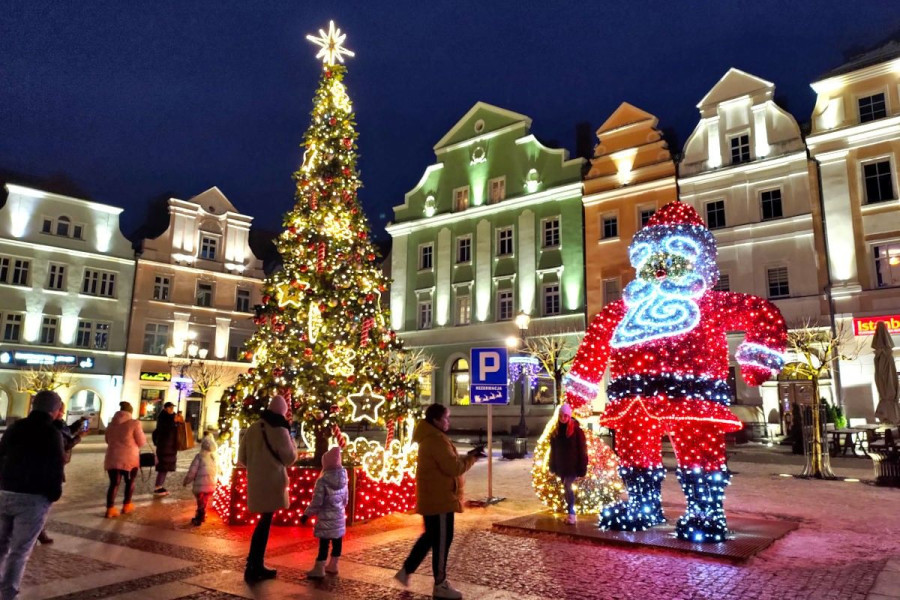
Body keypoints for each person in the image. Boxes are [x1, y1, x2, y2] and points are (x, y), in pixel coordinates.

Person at [394, 404, 477, 600]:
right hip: (440, 500)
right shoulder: (435, 440)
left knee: (430, 537)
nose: (448, 421)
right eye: (445, 418)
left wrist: (467, 456)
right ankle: (440, 584)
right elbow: (453, 468)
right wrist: (471, 458)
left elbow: (448, 462)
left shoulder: (432, 438)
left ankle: (406, 570)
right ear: (436, 421)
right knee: (441, 542)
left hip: (436, 497)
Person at [0, 390, 66, 600]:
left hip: (6, 492)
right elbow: (56, 466)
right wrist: (53, 494)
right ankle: (9, 594)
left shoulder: (16, 427)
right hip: (33, 498)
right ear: (55, 411)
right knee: (20, 550)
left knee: (1, 544)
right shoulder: (51, 433)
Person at [238, 395, 297, 583]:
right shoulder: (280, 429)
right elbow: (289, 458)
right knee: (264, 524)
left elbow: (242, 457)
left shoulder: (254, 427)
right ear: (283, 411)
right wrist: (293, 444)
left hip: (257, 482)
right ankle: (254, 565)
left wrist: (257, 468)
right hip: (272, 482)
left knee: (263, 522)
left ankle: (255, 564)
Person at [38, 403, 87, 544]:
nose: (62, 413)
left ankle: (38, 531)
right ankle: (38, 532)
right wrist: (79, 437)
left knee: (41, 504)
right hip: (51, 468)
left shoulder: (57, 424)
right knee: (43, 504)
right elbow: (65, 444)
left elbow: (67, 432)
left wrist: (79, 423)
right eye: (61, 411)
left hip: (53, 466)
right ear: (53, 411)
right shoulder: (52, 428)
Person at [300, 446, 348, 578]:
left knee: (324, 544)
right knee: (337, 541)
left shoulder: (322, 481)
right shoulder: (344, 477)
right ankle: (333, 565)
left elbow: (317, 502)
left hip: (326, 517)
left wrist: (306, 514)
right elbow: (345, 499)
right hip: (339, 516)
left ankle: (319, 568)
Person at [104, 401, 147, 518]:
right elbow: (141, 442)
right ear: (130, 412)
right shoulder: (134, 423)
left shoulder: (111, 425)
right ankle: (127, 505)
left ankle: (110, 508)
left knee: (114, 483)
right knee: (130, 482)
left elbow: (107, 440)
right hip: (129, 459)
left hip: (112, 457)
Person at [548, 403, 588, 525]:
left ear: (569, 416)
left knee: (567, 486)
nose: (563, 418)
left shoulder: (576, 431)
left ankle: (571, 514)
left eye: (566, 415)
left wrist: (582, 467)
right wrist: (552, 466)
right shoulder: (555, 431)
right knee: (566, 488)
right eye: (561, 415)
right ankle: (569, 512)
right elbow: (553, 451)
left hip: (573, 466)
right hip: (561, 466)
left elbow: (582, 450)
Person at [183, 434, 218, 526]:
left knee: (200, 500)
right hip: (211, 484)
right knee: (204, 499)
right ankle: (202, 513)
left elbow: (192, 471)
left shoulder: (199, 457)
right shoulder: (214, 458)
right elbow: (217, 469)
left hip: (200, 484)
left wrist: (187, 480)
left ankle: (199, 516)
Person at [152, 402, 179, 496]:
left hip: (170, 447)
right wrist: (174, 421)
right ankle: (158, 486)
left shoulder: (170, 417)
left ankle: (159, 485)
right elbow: (165, 429)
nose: (172, 409)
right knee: (163, 467)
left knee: (165, 468)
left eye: (172, 407)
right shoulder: (163, 418)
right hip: (165, 447)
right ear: (165, 408)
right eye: (170, 407)